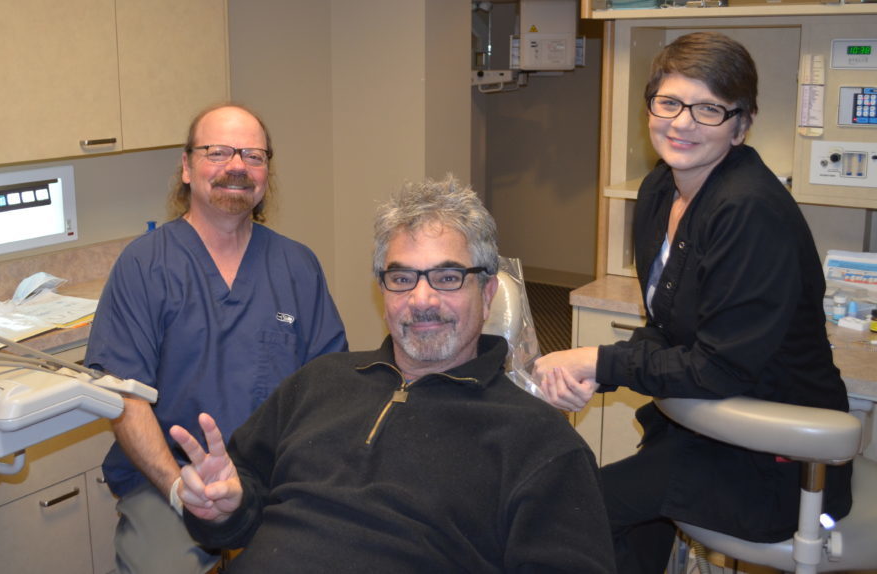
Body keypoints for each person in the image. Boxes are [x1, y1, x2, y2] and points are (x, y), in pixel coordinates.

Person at [168, 175, 616, 573]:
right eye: (402, 279)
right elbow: (234, 519)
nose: (421, 300)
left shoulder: (538, 443)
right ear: (382, 290)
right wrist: (221, 509)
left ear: (487, 292)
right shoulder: (319, 383)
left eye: (447, 278)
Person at [532, 32, 852, 573]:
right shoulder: (661, 190)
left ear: (741, 123)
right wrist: (598, 374)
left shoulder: (749, 211)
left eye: (708, 109)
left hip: (771, 462)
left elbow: (720, 365)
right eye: (670, 102)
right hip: (701, 432)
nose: (682, 123)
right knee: (619, 519)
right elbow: (670, 328)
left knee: (571, 510)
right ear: (651, 106)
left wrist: (597, 360)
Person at [84, 104, 347, 574]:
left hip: (275, 477)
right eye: (218, 152)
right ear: (186, 167)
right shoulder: (144, 266)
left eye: (253, 155)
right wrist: (177, 487)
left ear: (266, 171)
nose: (237, 167)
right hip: (169, 474)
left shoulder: (297, 266)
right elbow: (123, 396)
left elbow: (329, 388)